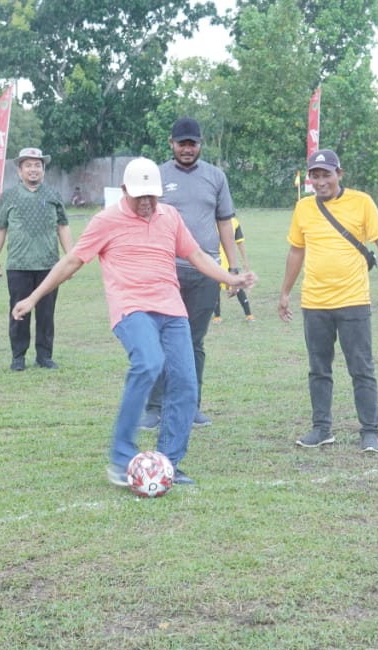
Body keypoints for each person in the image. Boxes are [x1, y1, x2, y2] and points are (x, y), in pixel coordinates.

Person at [12, 158, 256, 487]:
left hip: (172, 309)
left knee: (185, 383)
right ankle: (121, 457)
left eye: (152, 196)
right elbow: (71, 261)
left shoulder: (169, 216)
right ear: (124, 191)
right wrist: (33, 298)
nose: (146, 203)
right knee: (149, 362)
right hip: (131, 308)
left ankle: (167, 462)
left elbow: (196, 255)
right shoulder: (106, 221)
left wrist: (230, 278)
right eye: (140, 195)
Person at [278, 149, 378, 453]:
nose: (321, 181)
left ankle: (369, 431)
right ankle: (322, 429)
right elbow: (296, 251)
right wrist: (285, 291)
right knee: (318, 369)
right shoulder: (303, 208)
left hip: (353, 300)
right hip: (314, 301)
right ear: (309, 177)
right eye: (315, 175)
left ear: (340, 173)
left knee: (361, 368)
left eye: (327, 174)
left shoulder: (362, 202)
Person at [140, 117, 242, 431]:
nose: (187, 148)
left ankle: (190, 406)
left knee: (194, 342)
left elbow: (226, 222)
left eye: (192, 143)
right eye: (181, 143)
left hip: (206, 272)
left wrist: (232, 269)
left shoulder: (216, 177)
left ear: (200, 144)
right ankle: (155, 407)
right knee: (157, 340)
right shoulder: (156, 176)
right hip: (164, 273)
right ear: (171, 143)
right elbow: (142, 219)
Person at [0, 147, 73, 371]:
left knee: (47, 313)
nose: (33, 169)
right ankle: (18, 356)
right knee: (18, 312)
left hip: (49, 265)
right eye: (29, 165)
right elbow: (0, 228)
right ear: (20, 170)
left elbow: (63, 226)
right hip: (18, 264)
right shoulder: (10, 196)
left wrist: (71, 257)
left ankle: (44, 356)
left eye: (38, 165)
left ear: (43, 169)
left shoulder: (53, 195)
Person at [213, 217, 254, 323]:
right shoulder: (210, 221)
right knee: (214, 286)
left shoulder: (234, 222)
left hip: (229, 260)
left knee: (237, 285)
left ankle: (249, 314)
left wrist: (245, 261)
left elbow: (239, 242)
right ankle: (217, 316)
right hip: (215, 259)